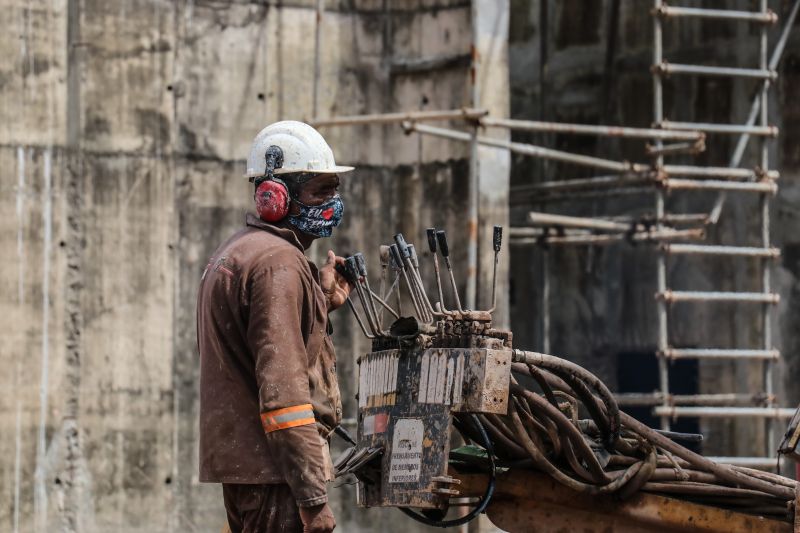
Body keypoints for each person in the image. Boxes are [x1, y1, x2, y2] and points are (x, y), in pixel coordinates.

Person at [197, 121, 354, 533]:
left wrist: (318, 303)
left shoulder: (238, 251)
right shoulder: (278, 264)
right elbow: (284, 397)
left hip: (249, 468)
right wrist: (313, 497)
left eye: (335, 190)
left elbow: (252, 346)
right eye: (321, 191)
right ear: (274, 195)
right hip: (275, 474)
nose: (333, 204)